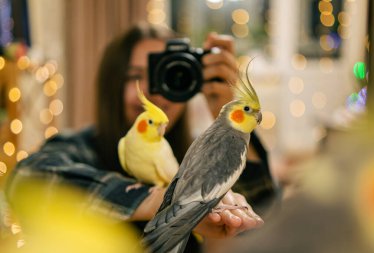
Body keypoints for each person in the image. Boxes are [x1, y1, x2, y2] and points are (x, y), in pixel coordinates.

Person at [5, 22, 277, 252]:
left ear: (190, 84)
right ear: (112, 85)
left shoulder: (199, 154)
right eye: (135, 77)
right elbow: (29, 180)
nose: (152, 92)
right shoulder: (82, 147)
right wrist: (165, 201)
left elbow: (270, 226)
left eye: (170, 76)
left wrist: (233, 125)